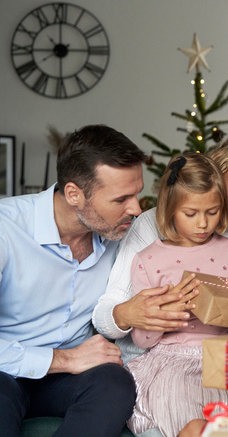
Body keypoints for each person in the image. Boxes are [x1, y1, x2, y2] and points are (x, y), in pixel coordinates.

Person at [93, 129, 228, 365]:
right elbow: (104, 316)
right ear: (217, 173)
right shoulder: (151, 226)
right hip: (148, 360)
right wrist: (130, 314)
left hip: (219, 362)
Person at [0, 124, 144, 436]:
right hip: (5, 371)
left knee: (114, 383)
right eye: (121, 199)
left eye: (137, 194)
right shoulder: (5, 229)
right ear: (73, 194)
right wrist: (65, 359)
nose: (136, 209)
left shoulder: (122, 234)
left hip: (72, 379)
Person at [125, 153, 228, 437]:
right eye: (191, 214)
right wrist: (168, 312)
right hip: (174, 362)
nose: (203, 224)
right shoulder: (148, 259)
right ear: (170, 209)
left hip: (226, 358)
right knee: (186, 413)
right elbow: (141, 339)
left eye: (212, 212)